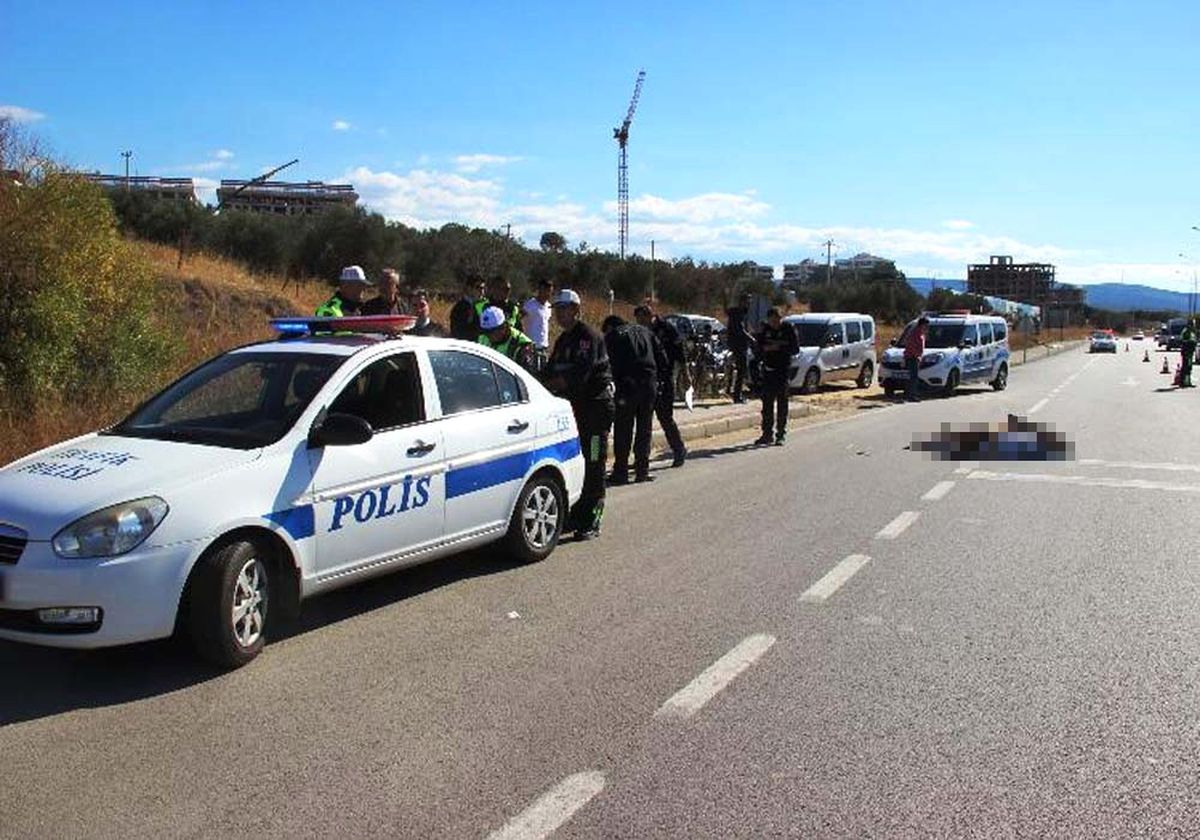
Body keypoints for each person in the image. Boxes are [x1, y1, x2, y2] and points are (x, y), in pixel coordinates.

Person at [544, 289, 615, 540]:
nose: (559, 314)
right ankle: (578, 513)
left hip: (596, 411)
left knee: (594, 461)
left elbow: (579, 376)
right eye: (557, 310)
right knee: (578, 463)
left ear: (576, 310)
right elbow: (550, 370)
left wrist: (553, 384)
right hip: (575, 412)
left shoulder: (589, 337)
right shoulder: (564, 340)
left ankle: (592, 517)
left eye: (564, 309)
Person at [602, 315, 660, 484]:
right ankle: (642, 471)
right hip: (649, 384)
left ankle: (621, 472)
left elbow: (607, 363)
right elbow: (661, 356)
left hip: (627, 386)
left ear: (610, 327)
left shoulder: (614, 335)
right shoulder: (646, 332)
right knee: (645, 429)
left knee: (623, 429)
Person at [634, 303, 689, 467]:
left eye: (641, 319)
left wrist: (686, 374)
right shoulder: (640, 332)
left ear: (649, 316)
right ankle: (641, 458)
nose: (640, 323)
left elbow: (680, 353)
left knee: (665, 417)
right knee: (644, 421)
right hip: (646, 380)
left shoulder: (666, 328)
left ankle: (678, 449)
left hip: (665, 379)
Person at [753, 308, 799, 446]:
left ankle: (781, 434)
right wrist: (764, 349)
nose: (775, 323)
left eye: (777, 320)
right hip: (768, 371)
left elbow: (795, 349)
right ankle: (767, 434)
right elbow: (757, 348)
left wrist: (779, 348)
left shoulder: (788, 329)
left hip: (782, 371)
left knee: (782, 404)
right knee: (767, 404)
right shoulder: (764, 330)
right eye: (772, 320)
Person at [479, 305, 537, 372]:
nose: (488, 336)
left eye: (491, 331)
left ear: (503, 327)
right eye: (486, 331)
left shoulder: (521, 345)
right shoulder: (483, 337)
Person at [726, 293, 753, 403]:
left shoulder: (742, 313)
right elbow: (739, 330)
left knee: (740, 370)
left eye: (749, 302)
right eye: (747, 301)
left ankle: (735, 392)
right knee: (741, 370)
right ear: (742, 302)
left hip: (740, 345)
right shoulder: (737, 314)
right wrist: (751, 338)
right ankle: (737, 396)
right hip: (738, 345)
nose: (748, 304)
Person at [522, 278, 554, 359]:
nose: (547, 294)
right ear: (540, 290)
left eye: (549, 291)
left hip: (544, 347)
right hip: (531, 346)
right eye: (545, 291)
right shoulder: (530, 305)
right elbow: (521, 320)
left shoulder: (549, 307)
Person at [450, 274, 485, 341]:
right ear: (469, 288)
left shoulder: (484, 305)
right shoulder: (460, 308)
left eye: (483, 288)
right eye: (478, 287)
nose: (481, 291)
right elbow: (457, 332)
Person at [903, 316, 929, 402]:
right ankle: (911, 395)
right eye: (925, 325)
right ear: (922, 324)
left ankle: (911, 394)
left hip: (916, 357)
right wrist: (916, 355)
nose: (926, 327)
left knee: (913, 377)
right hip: (912, 357)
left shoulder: (921, 333)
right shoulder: (915, 333)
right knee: (913, 377)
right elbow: (910, 345)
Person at [1180, 319, 1198, 388]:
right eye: (1193, 324)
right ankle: (1183, 382)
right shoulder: (1186, 331)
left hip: (1190, 352)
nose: (1194, 325)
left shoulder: (1192, 332)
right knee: (1186, 366)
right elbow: (1183, 341)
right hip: (1186, 352)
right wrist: (1190, 342)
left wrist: (1194, 342)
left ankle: (1188, 381)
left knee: (1189, 367)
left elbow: (1194, 340)